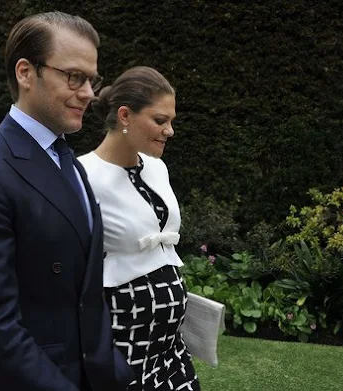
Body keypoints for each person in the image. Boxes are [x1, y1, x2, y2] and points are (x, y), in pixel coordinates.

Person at [0, 12, 134, 391]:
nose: (89, 93)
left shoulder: (69, 163)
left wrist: (115, 372)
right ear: (25, 73)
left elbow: (86, 295)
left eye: (92, 80)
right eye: (74, 77)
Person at [78, 66, 201, 391]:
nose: (170, 131)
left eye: (171, 121)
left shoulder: (158, 168)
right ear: (124, 116)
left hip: (171, 345)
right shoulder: (83, 175)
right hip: (123, 338)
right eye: (160, 121)